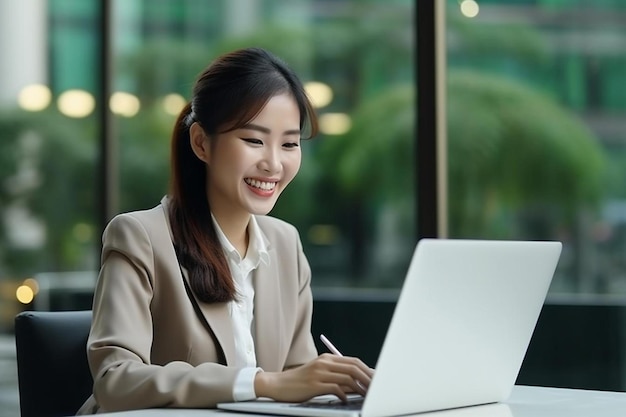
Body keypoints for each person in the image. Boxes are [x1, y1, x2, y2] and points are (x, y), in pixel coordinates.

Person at [77, 47, 373, 414]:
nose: (273, 163)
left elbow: (298, 375)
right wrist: (264, 383)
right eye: (254, 140)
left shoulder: (285, 244)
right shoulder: (140, 236)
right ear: (202, 142)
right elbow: (116, 380)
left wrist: (342, 384)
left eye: (290, 144)